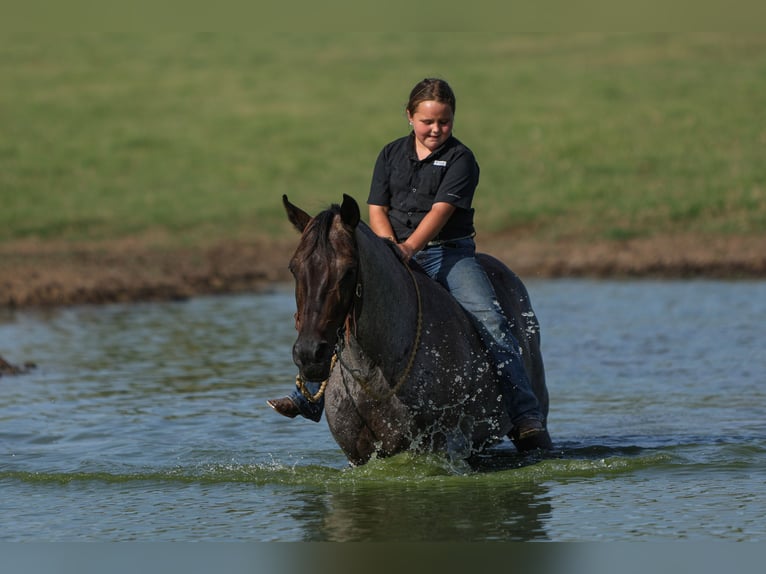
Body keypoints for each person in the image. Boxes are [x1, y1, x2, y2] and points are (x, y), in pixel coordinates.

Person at [268, 78, 551, 451]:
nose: (435, 129)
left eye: (444, 122)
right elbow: (376, 208)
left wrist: (408, 249)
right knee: (340, 308)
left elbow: (441, 211)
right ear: (409, 117)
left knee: (491, 319)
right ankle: (308, 394)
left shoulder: (461, 159)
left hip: (448, 255)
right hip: (395, 251)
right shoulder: (389, 155)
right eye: (427, 121)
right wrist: (388, 247)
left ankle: (524, 413)